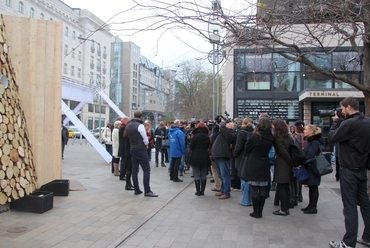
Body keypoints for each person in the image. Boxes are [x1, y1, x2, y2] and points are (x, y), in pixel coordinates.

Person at [327, 97, 370, 248]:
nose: (342, 111)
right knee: (365, 204)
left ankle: (348, 242)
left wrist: (336, 122)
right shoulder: (367, 122)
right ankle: (367, 236)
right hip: (362, 168)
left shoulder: (348, 123)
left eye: (343, 108)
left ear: (349, 107)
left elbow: (332, 137)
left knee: (350, 206)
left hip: (348, 170)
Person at [242, 117, 273, 218]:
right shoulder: (270, 137)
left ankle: (256, 211)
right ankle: (260, 211)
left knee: (255, 188)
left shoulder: (255, 136)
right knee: (262, 188)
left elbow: (247, 148)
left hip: (253, 162)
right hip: (264, 162)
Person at [125, 111, 158, 197]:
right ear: (141, 117)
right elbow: (145, 139)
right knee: (146, 169)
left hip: (133, 148)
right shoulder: (140, 126)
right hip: (140, 149)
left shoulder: (128, 125)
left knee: (134, 169)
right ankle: (147, 190)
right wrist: (146, 145)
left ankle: (136, 189)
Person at [272, 119, 294, 216]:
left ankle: (283, 209)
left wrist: (291, 162)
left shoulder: (278, 138)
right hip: (287, 164)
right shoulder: (288, 136)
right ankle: (286, 207)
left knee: (281, 186)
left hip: (282, 164)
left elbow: (283, 152)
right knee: (286, 187)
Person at [300, 124, 325, 214]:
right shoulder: (311, 140)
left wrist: (303, 159)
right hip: (310, 166)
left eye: (306, 129)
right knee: (311, 186)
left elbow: (311, 154)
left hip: (313, 167)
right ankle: (310, 205)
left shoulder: (314, 141)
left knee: (313, 187)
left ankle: (313, 207)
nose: (304, 131)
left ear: (311, 131)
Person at [211, 121, 236, 200]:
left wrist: (221, 125)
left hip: (223, 155)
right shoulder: (222, 132)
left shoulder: (231, 133)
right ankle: (223, 189)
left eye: (229, 124)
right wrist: (216, 125)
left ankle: (226, 192)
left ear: (232, 127)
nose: (227, 124)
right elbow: (214, 135)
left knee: (225, 175)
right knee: (221, 175)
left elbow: (222, 128)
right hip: (218, 155)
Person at [233, 117, 254, 206]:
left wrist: (234, 154)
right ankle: (250, 199)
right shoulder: (254, 132)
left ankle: (245, 200)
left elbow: (238, 147)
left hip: (241, 157)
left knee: (243, 179)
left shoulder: (241, 133)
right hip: (251, 158)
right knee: (250, 180)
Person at [188, 122, 211, 196]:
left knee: (197, 174)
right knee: (203, 175)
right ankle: (203, 190)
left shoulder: (195, 137)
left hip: (195, 156)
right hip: (204, 156)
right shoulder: (207, 137)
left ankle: (198, 191)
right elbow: (208, 146)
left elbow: (191, 147)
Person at [119, 117, 135, 190]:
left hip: (126, 149)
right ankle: (124, 177)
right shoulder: (123, 128)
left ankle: (128, 182)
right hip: (127, 149)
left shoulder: (123, 128)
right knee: (126, 163)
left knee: (126, 163)